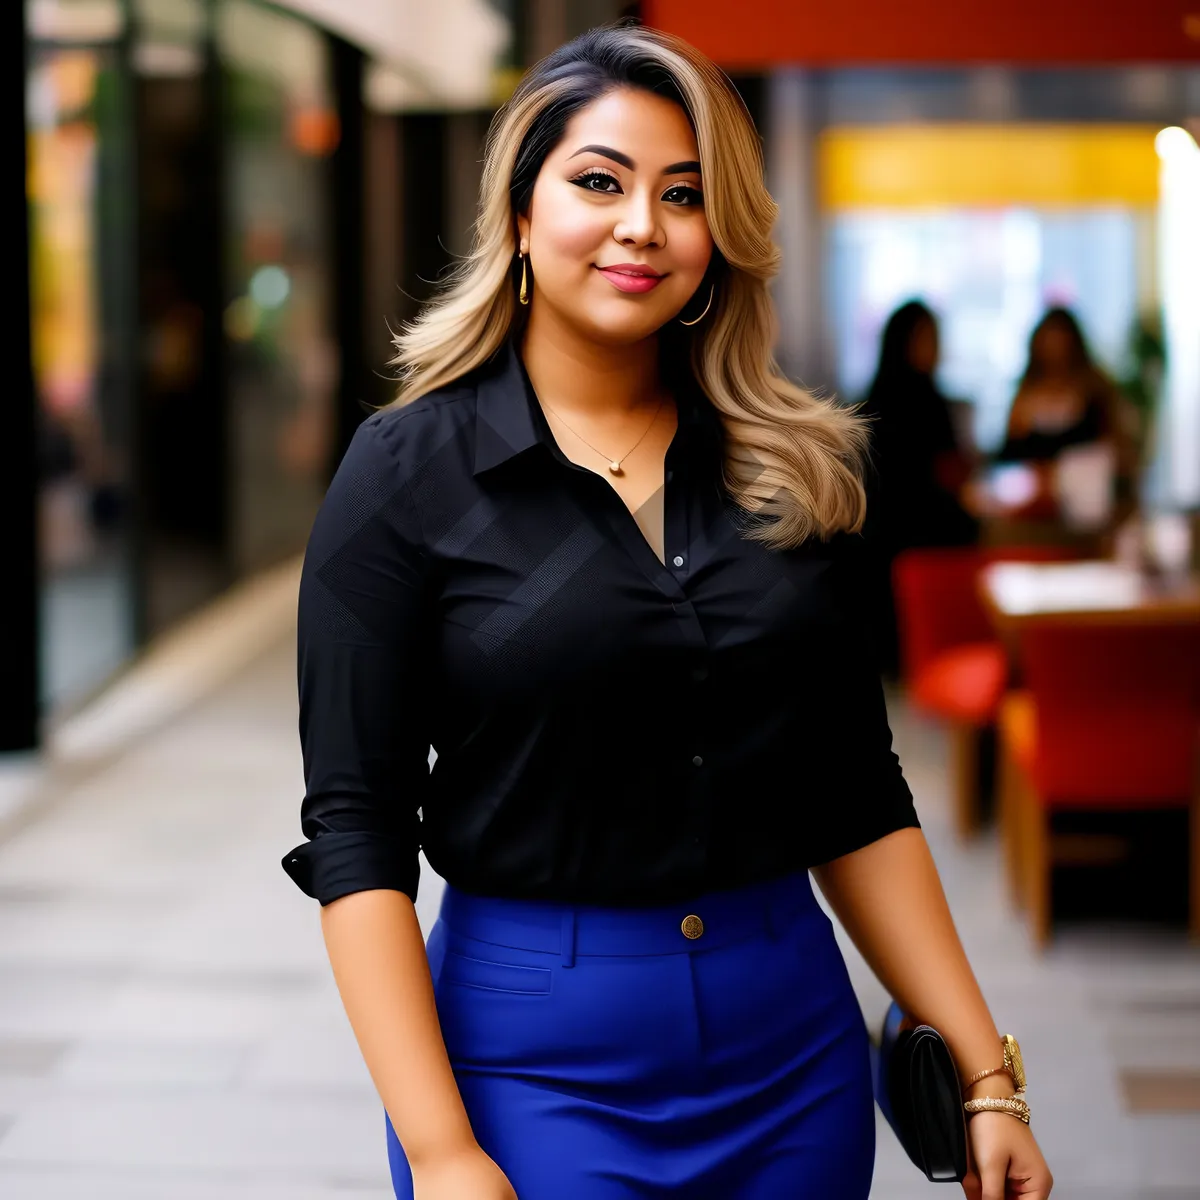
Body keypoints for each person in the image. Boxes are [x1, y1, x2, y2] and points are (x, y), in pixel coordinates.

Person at [281, 24, 1054, 1200]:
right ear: (523, 217)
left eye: (682, 195)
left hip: (792, 1052)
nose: (643, 223)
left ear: (718, 239)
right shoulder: (403, 474)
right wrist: (443, 1154)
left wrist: (988, 1076)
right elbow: (358, 833)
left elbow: (855, 794)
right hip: (530, 1064)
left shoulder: (790, 471)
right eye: (599, 181)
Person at [860, 300, 979, 672]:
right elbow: (945, 468)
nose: (935, 348)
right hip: (919, 527)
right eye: (928, 338)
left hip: (887, 529)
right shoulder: (922, 398)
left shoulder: (872, 396)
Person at [995, 306, 1135, 523]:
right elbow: (1008, 456)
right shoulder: (1023, 399)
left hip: (1088, 512)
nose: (1054, 349)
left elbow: (1117, 452)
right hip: (1034, 512)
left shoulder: (1095, 392)